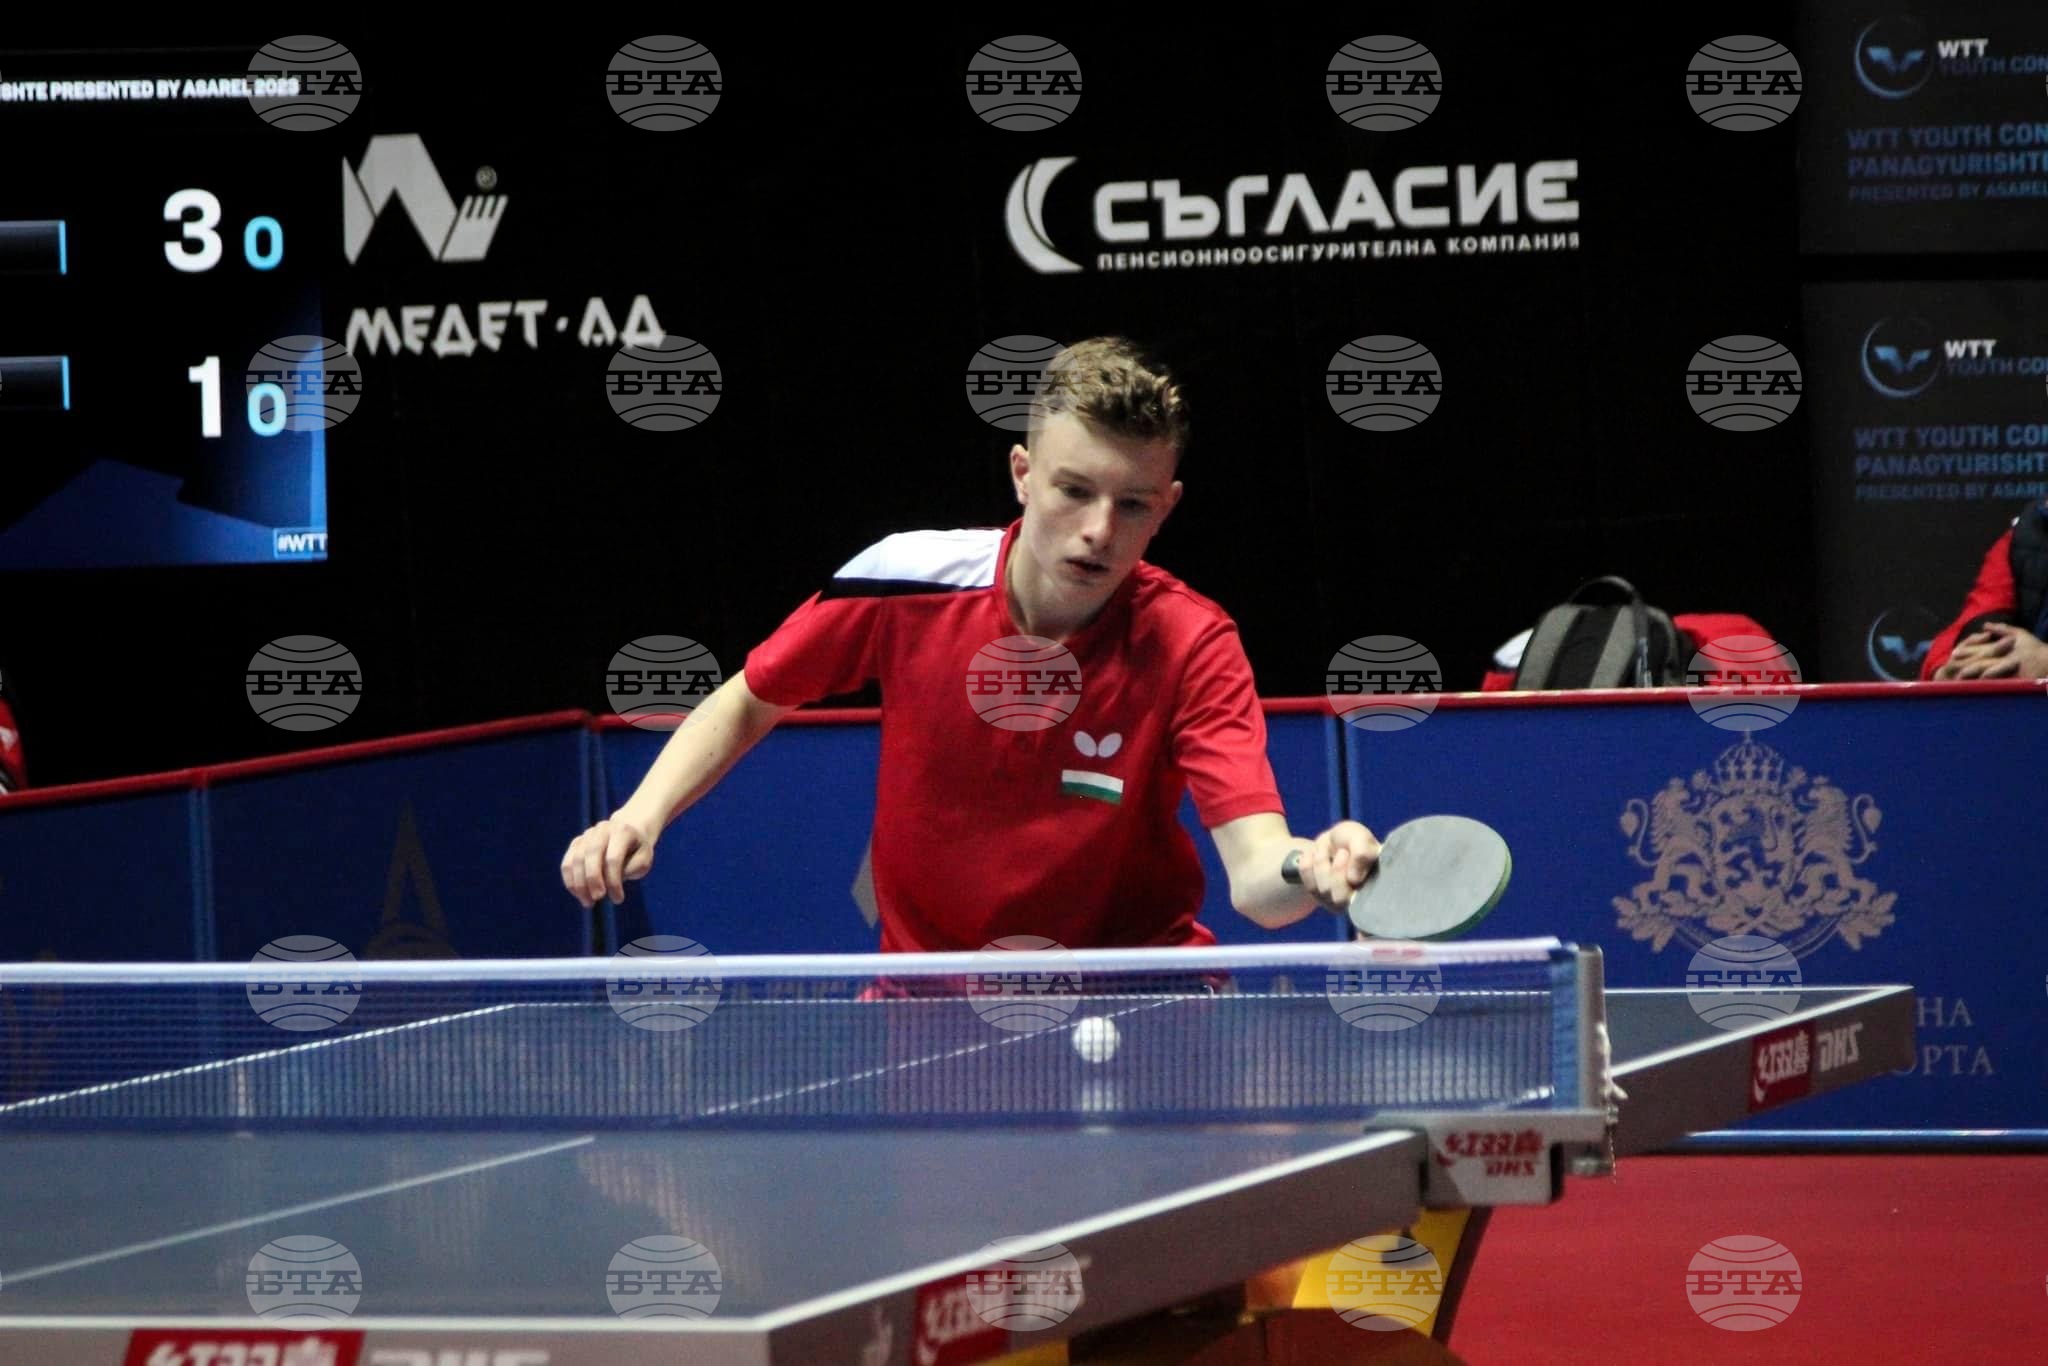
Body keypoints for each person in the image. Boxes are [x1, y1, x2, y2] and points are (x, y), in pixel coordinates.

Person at [561, 337, 1378, 949]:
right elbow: (751, 697)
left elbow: (1256, 880)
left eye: (1133, 504)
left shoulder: (1191, 642)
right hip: (931, 1004)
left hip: (1141, 994)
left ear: (1167, 506)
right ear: (1022, 473)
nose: (1099, 530)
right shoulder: (904, 582)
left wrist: (1307, 867)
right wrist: (641, 815)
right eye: (1073, 490)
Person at [1922, 498, 2048, 681]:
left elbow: (2040, 662)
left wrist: (2044, 661)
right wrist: (1950, 670)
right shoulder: (2029, 534)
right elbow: (1978, 617)